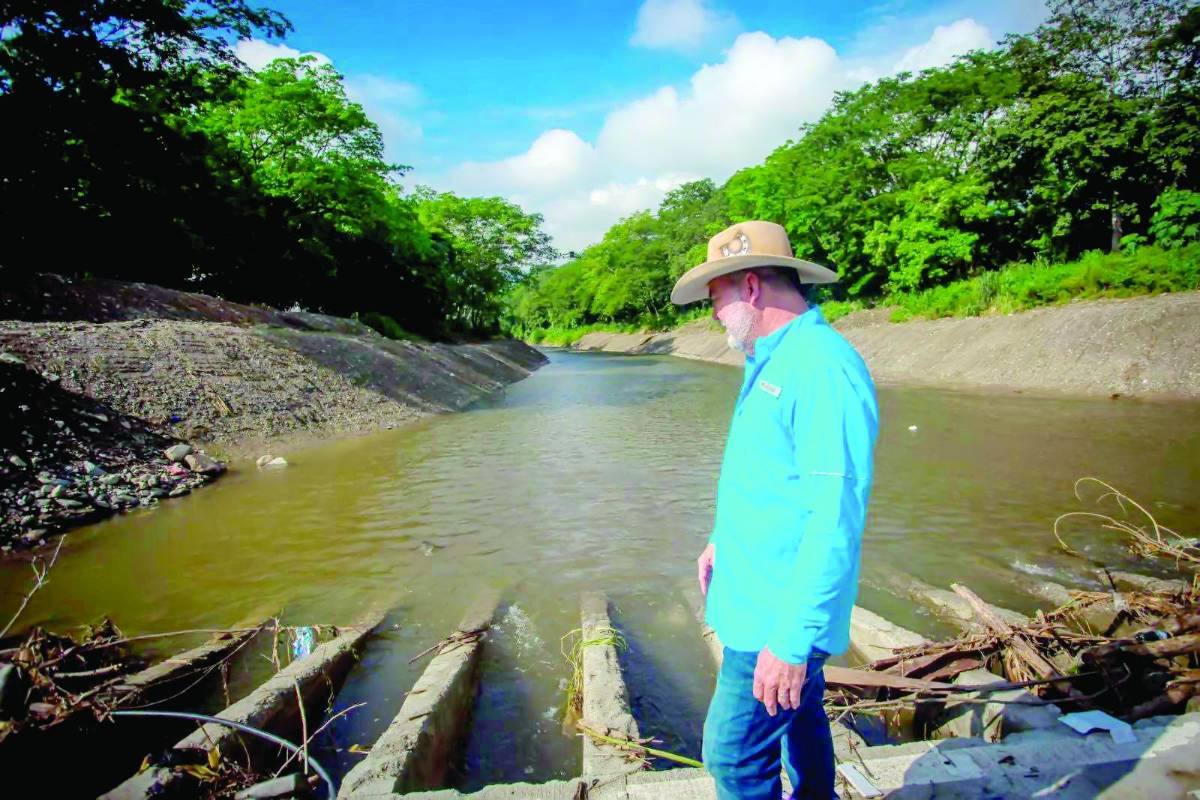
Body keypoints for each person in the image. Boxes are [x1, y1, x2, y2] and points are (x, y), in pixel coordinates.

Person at [670, 221, 879, 800]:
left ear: (752, 287)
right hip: (757, 592)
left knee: (733, 755)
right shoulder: (772, 360)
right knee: (800, 718)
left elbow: (834, 516)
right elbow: (767, 479)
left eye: (716, 298)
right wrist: (722, 540)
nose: (713, 315)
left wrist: (790, 642)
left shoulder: (818, 368)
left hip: (778, 614)